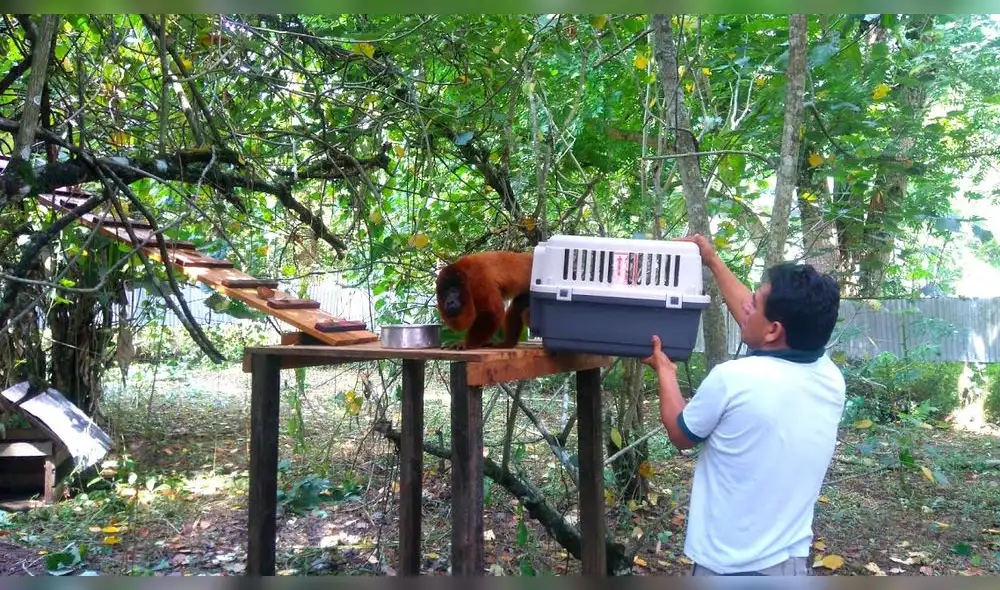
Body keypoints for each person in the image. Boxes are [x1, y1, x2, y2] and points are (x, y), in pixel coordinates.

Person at [641, 233, 846, 576]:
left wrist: (665, 371)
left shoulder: (733, 379)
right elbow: (760, 328)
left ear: (774, 330)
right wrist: (712, 260)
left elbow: (679, 432)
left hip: (727, 565)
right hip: (790, 563)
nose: (746, 306)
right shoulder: (830, 377)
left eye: (755, 302)